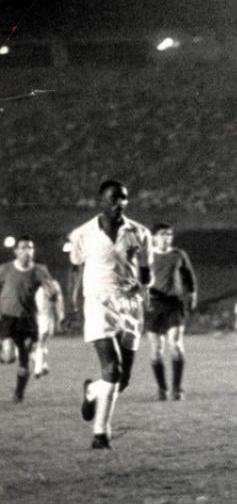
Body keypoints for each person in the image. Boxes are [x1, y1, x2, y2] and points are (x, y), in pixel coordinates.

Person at [68, 179, 153, 449]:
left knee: (121, 380)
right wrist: (74, 301)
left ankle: (93, 390)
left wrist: (146, 289)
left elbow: (146, 272)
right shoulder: (82, 234)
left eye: (124, 198)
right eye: (114, 198)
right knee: (112, 368)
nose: (120, 203)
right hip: (98, 302)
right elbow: (76, 269)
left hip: (130, 306)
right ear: (101, 201)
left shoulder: (139, 233)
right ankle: (101, 432)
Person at [0, 236, 63, 402]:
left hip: (28, 320)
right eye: (23, 248)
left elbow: (52, 290)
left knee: (24, 358)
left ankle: (19, 393)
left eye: (30, 248)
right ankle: (5, 356)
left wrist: (52, 293)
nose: (27, 251)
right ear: (16, 251)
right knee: (9, 357)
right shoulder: (5, 269)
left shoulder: (39, 270)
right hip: (8, 318)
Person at [145, 223, 198, 401]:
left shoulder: (179, 255)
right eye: (162, 234)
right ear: (154, 237)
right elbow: (137, 279)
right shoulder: (147, 255)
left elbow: (189, 279)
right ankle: (162, 388)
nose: (167, 237)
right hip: (153, 305)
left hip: (174, 304)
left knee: (175, 345)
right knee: (156, 350)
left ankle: (177, 388)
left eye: (169, 234)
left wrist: (192, 296)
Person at [32, 274, 66, 378]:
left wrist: (61, 316)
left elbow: (59, 301)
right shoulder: (35, 285)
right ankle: (41, 367)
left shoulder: (53, 285)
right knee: (36, 345)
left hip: (46, 318)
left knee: (39, 343)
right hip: (37, 318)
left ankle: (39, 367)